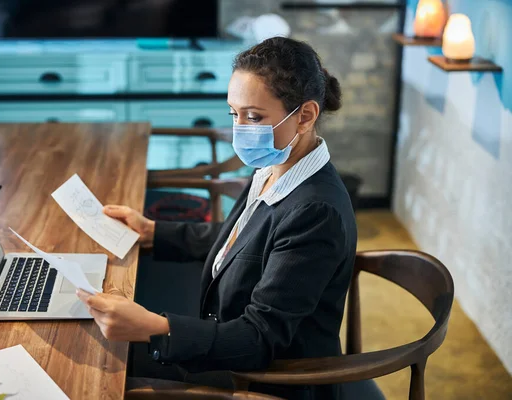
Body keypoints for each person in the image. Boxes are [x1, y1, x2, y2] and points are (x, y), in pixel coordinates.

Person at [76, 37, 357, 400]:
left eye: (254, 116)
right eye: (233, 113)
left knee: (97, 367)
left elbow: (259, 338)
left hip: (268, 380)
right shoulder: (278, 164)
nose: (240, 128)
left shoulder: (316, 213)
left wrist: (156, 328)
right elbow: (244, 239)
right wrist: (153, 233)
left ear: (304, 116)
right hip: (226, 337)